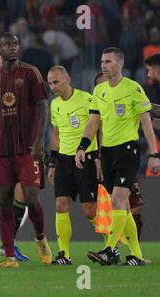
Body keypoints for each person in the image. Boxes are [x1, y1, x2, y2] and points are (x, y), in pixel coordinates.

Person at [75, 47, 159, 266]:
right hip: (108, 152)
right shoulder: (99, 91)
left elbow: (146, 122)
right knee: (124, 207)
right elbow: (93, 122)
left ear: (120, 64)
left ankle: (109, 250)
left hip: (127, 151)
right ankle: (137, 255)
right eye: (102, 61)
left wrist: (154, 153)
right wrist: (82, 146)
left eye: (108, 61)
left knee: (117, 202)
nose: (103, 65)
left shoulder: (133, 88)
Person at [0, 33, 52, 269]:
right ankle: (10, 256)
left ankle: (40, 238)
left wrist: (40, 140)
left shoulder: (30, 73)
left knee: (31, 197)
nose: (12, 48)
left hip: (28, 146)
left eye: (15, 44)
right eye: (7, 44)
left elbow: (43, 107)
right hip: (2, 148)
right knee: (5, 200)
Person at [47, 65, 103, 265]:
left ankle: (111, 244)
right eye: (50, 83)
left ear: (67, 79)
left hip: (85, 159)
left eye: (56, 82)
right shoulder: (54, 105)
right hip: (63, 160)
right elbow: (56, 134)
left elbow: (97, 127)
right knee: (60, 205)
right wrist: (52, 164)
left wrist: (98, 156)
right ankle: (64, 254)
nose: (53, 86)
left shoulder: (86, 99)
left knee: (89, 210)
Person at [94, 72, 144, 241]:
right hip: (106, 157)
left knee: (132, 206)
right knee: (113, 206)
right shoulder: (97, 113)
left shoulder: (128, 93)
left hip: (126, 154)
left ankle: (121, 249)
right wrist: (98, 158)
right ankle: (122, 250)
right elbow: (96, 135)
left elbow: (143, 115)